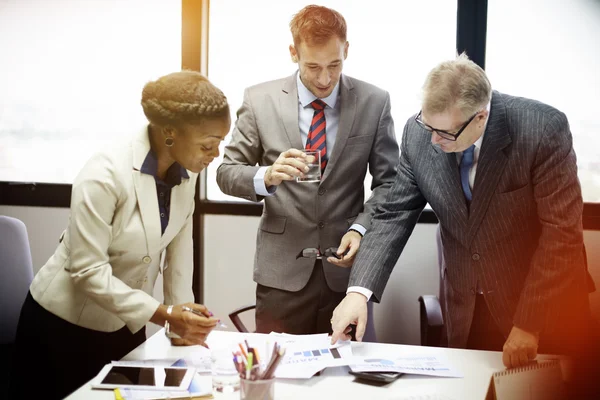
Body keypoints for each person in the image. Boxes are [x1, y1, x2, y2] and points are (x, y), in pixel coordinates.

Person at [331, 53, 595, 369]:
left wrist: (529, 323)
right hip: (469, 306)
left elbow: (561, 234)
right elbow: (393, 213)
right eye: (428, 125)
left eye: (445, 133)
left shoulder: (541, 129)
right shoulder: (419, 135)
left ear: (481, 117)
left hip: (542, 304)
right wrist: (358, 293)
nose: (433, 139)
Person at [9, 71, 230, 400]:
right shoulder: (105, 172)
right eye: (207, 145)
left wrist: (182, 320)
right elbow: (87, 270)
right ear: (170, 132)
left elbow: (180, 255)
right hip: (62, 330)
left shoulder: (188, 171)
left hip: (126, 327)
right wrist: (164, 314)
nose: (215, 155)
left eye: (220, 144)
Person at [217, 5, 398, 336]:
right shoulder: (260, 100)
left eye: (335, 65)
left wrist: (360, 229)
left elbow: (390, 183)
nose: (325, 79)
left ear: (347, 50)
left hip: (347, 276)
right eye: (313, 66)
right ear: (293, 53)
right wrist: (267, 176)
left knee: (347, 379)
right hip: (281, 276)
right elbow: (226, 173)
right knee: (278, 375)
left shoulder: (375, 101)